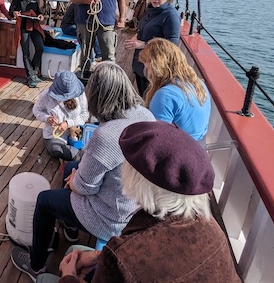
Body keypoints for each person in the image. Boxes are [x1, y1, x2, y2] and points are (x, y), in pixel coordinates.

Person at [11, 62, 155, 281]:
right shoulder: (145, 115)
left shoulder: (106, 135)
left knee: (44, 201)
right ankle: (69, 225)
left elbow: (83, 188)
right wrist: (75, 175)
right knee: (70, 166)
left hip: (112, 216)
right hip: (134, 204)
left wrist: (74, 182)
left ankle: (36, 265)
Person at [54, 121, 240, 282]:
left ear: (138, 180)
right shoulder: (212, 229)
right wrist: (98, 256)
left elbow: (130, 264)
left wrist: (68, 277)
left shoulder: (123, 258)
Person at [139, 38, 211, 143]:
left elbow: (157, 139)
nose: (147, 72)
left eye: (147, 67)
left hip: (181, 149)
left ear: (156, 67)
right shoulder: (199, 83)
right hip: (198, 144)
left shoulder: (165, 96)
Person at [124, 0, 180, 96]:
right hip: (141, 65)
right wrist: (135, 37)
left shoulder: (170, 16)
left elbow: (171, 45)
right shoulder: (151, 10)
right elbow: (141, 28)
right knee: (141, 93)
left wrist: (143, 44)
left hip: (154, 69)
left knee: (149, 98)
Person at [33, 71, 89, 161]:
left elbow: (85, 115)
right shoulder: (46, 95)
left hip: (76, 132)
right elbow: (36, 110)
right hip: (54, 135)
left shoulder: (80, 94)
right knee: (56, 149)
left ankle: (83, 157)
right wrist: (47, 118)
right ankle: (82, 157)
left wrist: (68, 123)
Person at [10, 0, 45, 87]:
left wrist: (40, 16)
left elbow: (39, 12)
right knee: (26, 52)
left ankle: (33, 72)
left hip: (34, 26)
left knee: (40, 47)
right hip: (23, 26)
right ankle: (30, 76)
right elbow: (11, 11)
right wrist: (15, 13)